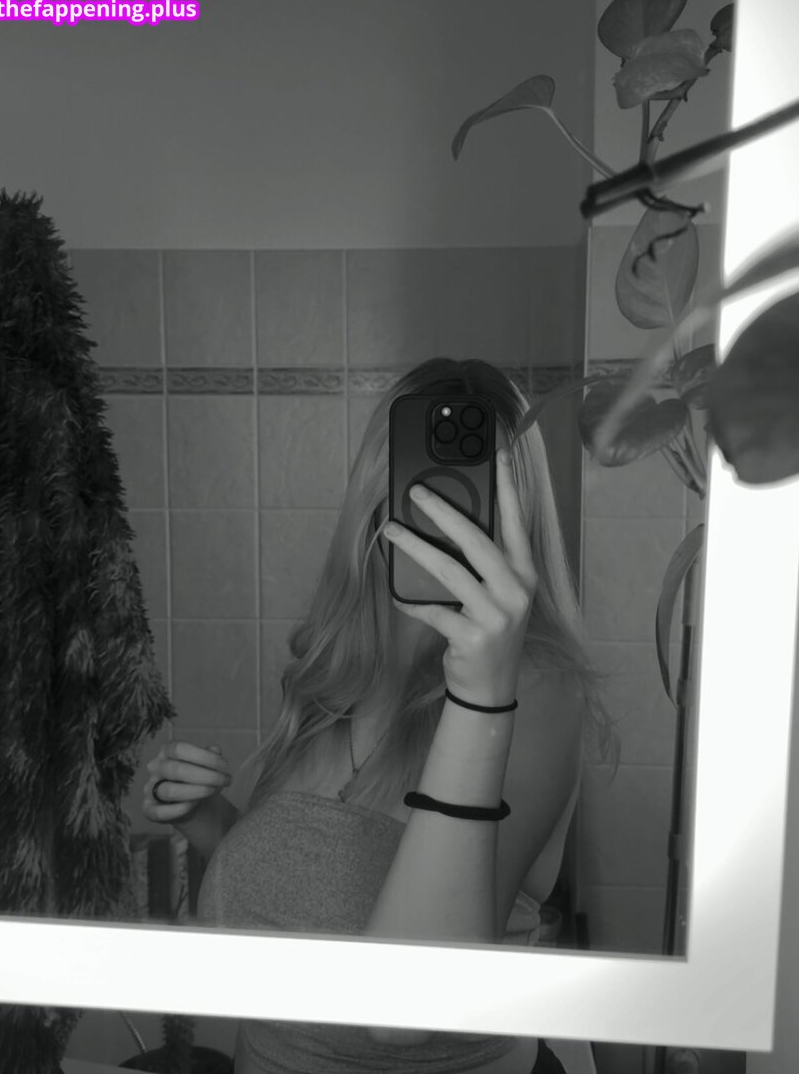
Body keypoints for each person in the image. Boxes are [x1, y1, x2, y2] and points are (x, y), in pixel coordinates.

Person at [143, 358, 616, 1074]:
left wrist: (482, 695)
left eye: (469, 490)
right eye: (421, 482)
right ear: (376, 491)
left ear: (513, 511)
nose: (444, 510)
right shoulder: (333, 671)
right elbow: (307, 897)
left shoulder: (535, 688)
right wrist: (210, 821)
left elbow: (410, 1012)